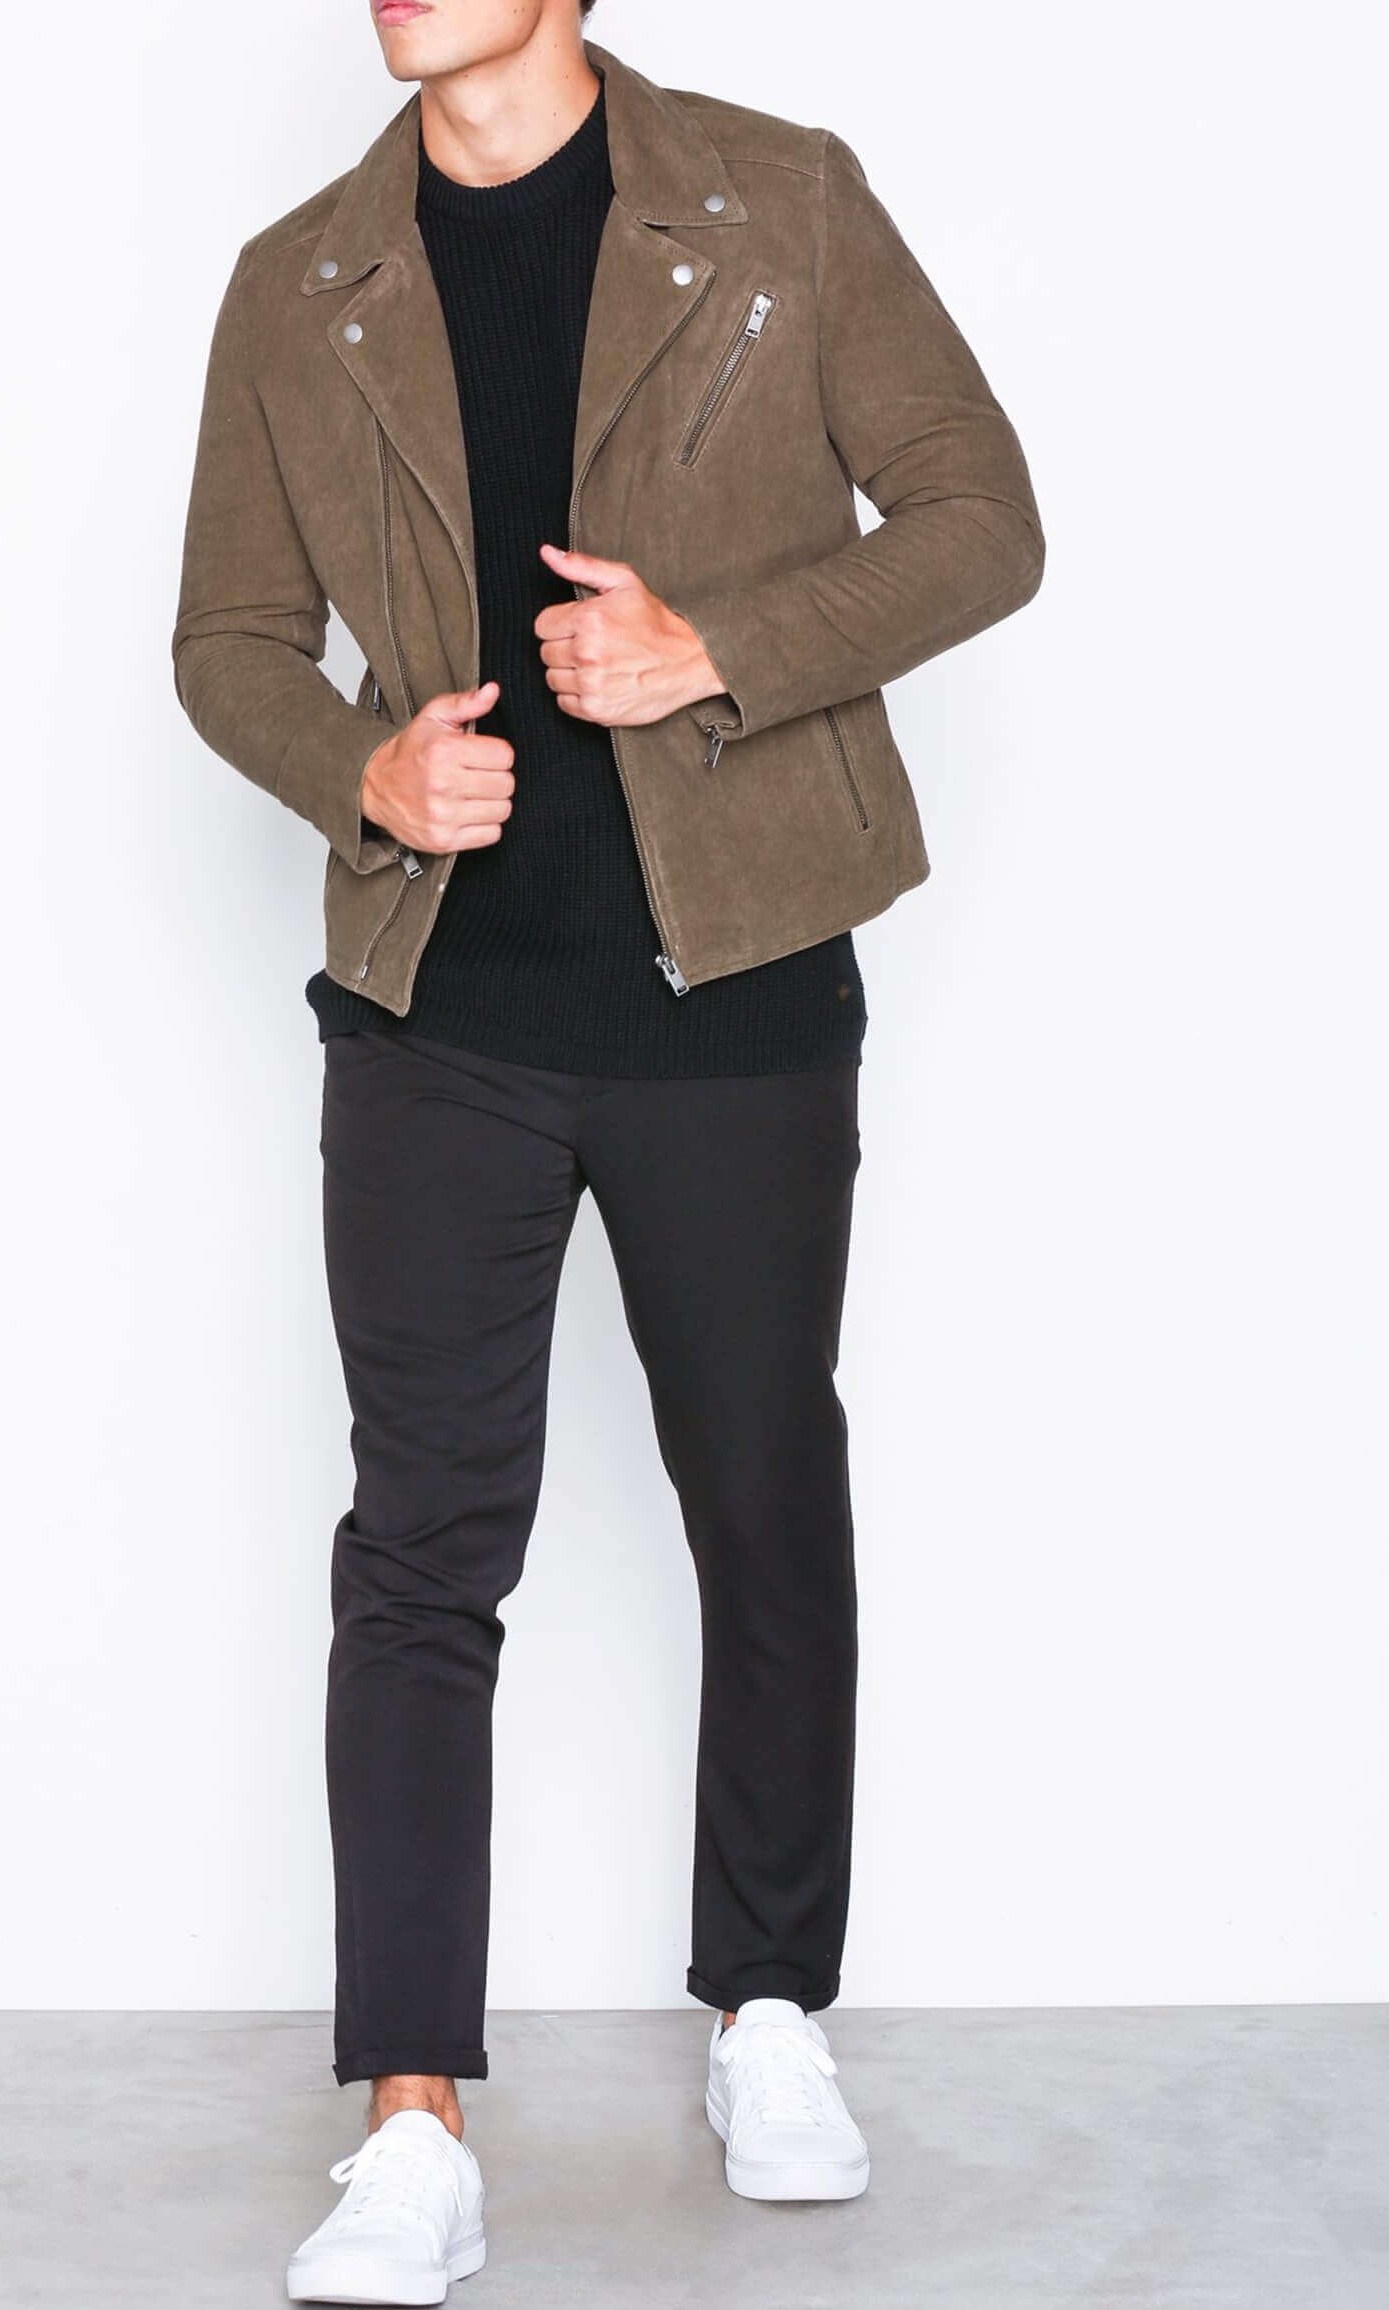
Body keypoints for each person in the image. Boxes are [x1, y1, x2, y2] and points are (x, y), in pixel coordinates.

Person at [170, 2, 1042, 2297]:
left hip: (732, 989)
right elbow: (232, 640)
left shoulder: (778, 198)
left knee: (759, 1491)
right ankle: (412, 2125)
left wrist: (717, 647)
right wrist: (361, 773)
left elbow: (982, 521)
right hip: (435, 1014)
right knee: (419, 1548)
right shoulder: (300, 278)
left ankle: (768, 2016)